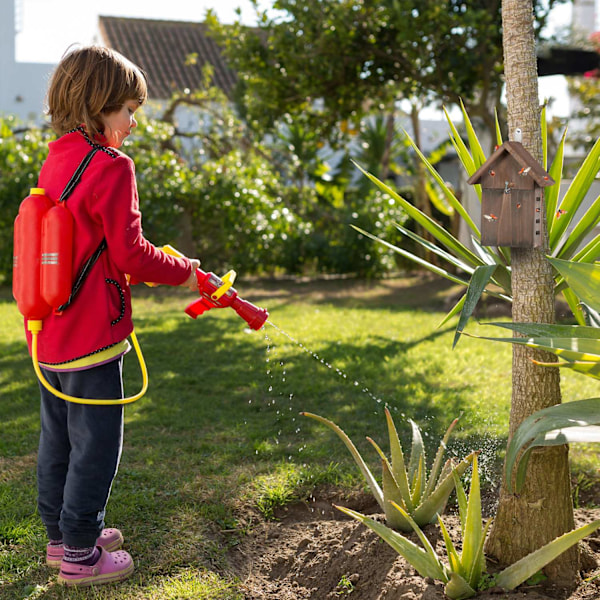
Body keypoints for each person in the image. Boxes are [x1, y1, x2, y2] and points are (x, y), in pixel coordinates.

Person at [25, 45, 200, 587]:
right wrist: (183, 272)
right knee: (97, 445)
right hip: (93, 337)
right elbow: (130, 255)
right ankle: (81, 553)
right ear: (96, 106)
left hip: (49, 334)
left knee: (57, 442)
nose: (131, 122)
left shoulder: (55, 160)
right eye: (126, 109)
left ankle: (61, 539)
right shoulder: (112, 166)